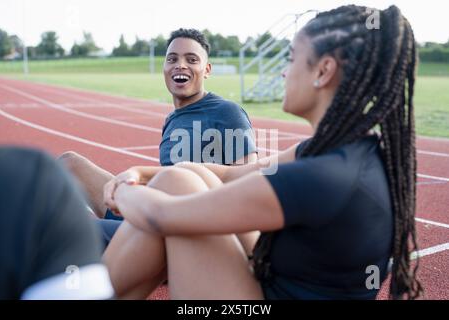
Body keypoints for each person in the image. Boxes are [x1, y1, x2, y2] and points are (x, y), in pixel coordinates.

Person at [103, 5, 423, 300]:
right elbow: (229, 173)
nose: (284, 72)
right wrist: (140, 173)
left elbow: (161, 217)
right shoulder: (345, 150)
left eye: (292, 58)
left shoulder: (322, 176)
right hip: (276, 283)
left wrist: (123, 191)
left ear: (323, 71)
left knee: (175, 191)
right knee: (184, 176)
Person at [59, 28, 257, 247]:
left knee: (72, 231)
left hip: (184, 228)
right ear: (164, 68)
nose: (180, 64)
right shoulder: (173, 119)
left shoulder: (227, 112)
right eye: (172, 59)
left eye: (191, 59)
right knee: (69, 164)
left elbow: (248, 182)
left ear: (207, 69)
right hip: (153, 210)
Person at [0, 146, 113, 299]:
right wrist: (136, 175)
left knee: (49, 228)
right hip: (142, 197)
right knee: (70, 162)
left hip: (150, 216)